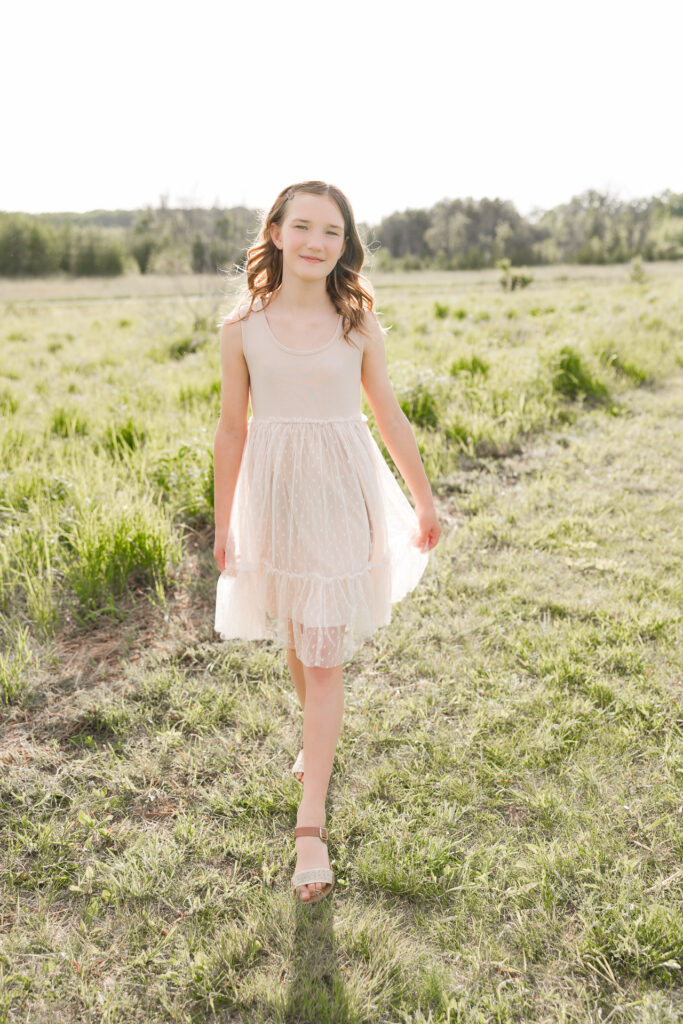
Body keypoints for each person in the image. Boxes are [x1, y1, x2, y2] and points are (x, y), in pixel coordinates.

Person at [213, 180, 442, 905]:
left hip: (343, 495)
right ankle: (314, 749)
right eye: (302, 226)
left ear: (345, 245)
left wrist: (423, 496)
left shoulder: (357, 323)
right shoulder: (242, 328)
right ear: (275, 232)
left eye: (332, 232)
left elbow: (390, 415)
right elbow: (230, 429)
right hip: (274, 499)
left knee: (321, 652)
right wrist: (222, 522)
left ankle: (308, 825)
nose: (316, 242)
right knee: (295, 629)